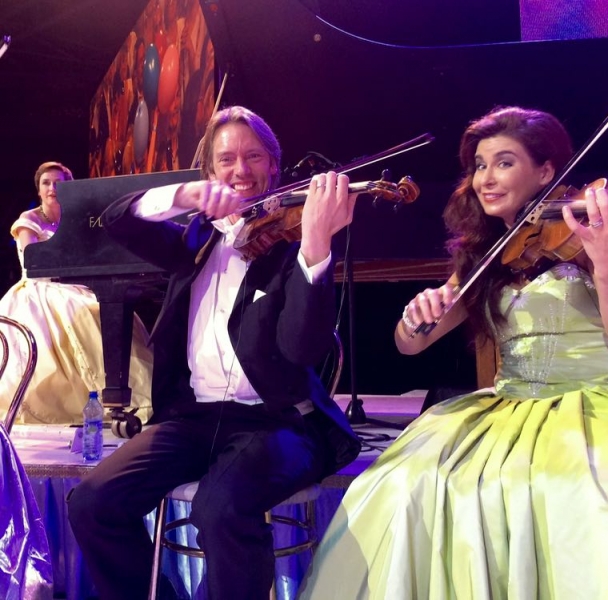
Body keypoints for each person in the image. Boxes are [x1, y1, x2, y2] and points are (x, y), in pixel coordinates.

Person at [298, 106, 608, 599]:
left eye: (504, 163)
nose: (486, 178)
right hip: (510, 404)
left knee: (591, 489)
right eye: (480, 165)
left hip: (595, 404)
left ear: (546, 170)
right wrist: (415, 316)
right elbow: (409, 344)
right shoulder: (486, 256)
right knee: (404, 479)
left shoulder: (587, 237)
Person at [67, 106, 361, 600]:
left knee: (220, 507)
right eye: (226, 160)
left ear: (274, 166)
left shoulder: (291, 243)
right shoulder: (194, 241)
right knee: (92, 503)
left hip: (277, 422)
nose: (240, 170)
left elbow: (301, 349)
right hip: (192, 419)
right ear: (210, 171)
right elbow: (119, 218)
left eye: (254, 157)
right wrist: (184, 195)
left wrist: (315, 246)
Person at [0, 161, 153, 425]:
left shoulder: (75, 219)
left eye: (58, 183)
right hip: (38, 288)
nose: (52, 188)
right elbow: (33, 259)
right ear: (39, 189)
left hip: (72, 285)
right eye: (46, 183)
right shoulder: (29, 220)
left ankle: (120, 394)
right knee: (81, 315)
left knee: (109, 310)